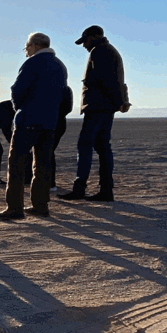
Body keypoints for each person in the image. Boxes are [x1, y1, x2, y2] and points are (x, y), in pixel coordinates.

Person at [0, 32, 69, 220]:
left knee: (17, 165)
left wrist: (19, 109)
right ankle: (40, 205)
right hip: (50, 122)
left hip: (28, 121)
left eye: (27, 47)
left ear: (35, 46)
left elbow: (17, 90)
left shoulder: (32, 63)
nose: (26, 51)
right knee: (42, 165)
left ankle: (14, 208)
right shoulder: (60, 66)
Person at [59, 25, 130, 202]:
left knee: (85, 146)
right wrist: (121, 101)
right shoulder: (110, 51)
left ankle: (80, 188)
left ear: (95, 36)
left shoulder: (100, 51)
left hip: (98, 106)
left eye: (86, 41)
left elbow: (107, 81)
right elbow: (117, 81)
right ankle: (106, 189)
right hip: (105, 107)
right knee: (103, 146)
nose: (84, 45)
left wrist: (119, 102)